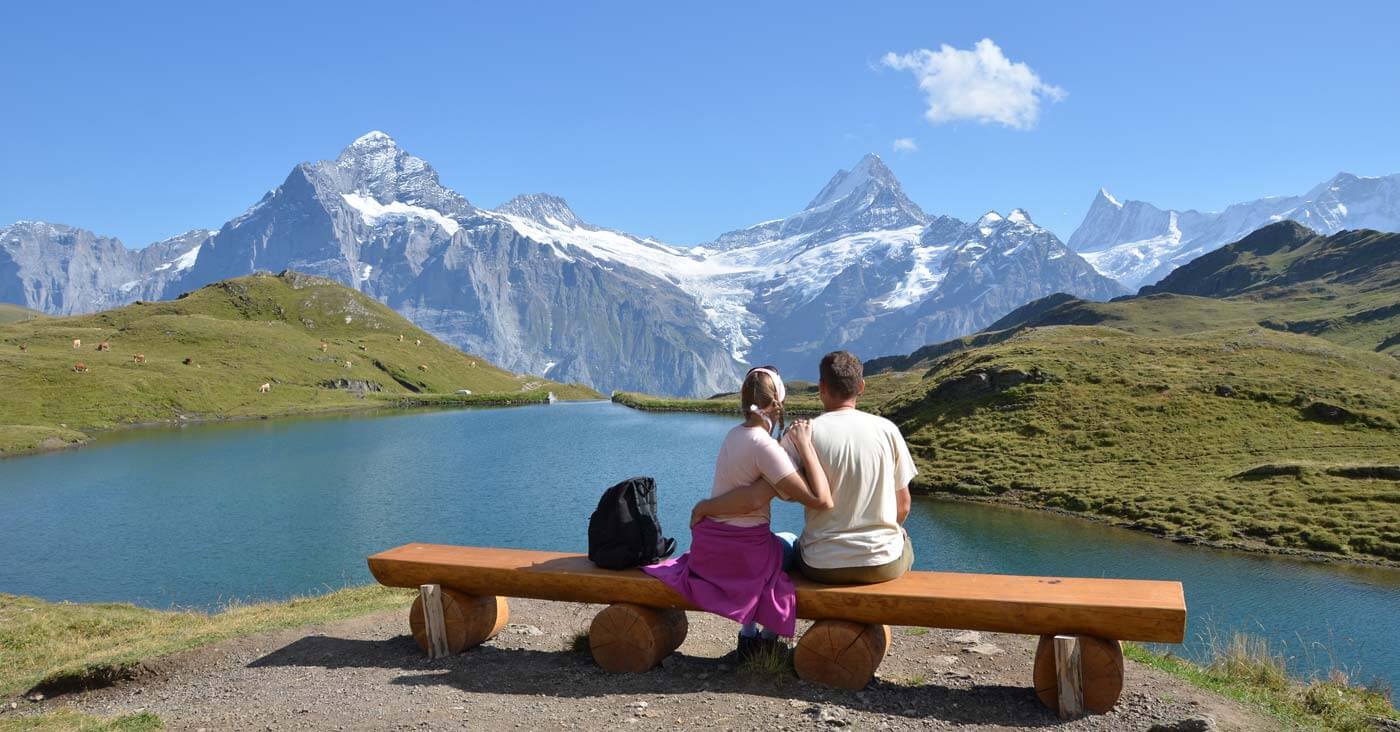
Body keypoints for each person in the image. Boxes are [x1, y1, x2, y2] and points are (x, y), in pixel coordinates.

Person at [644, 366, 833, 658]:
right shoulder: (766, 447)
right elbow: (818, 499)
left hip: (712, 549)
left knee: (772, 548)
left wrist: (704, 507)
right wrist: (805, 447)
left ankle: (747, 634)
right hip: (745, 554)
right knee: (792, 544)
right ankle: (768, 640)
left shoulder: (733, 435)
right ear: (775, 403)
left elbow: (754, 494)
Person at [691, 350, 917, 585]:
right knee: (904, 541)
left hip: (821, 565)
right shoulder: (888, 430)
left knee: (791, 545)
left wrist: (706, 507)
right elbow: (903, 505)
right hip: (883, 563)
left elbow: (755, 497)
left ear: (821, 388)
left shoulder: (801, 434)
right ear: (861, 386)